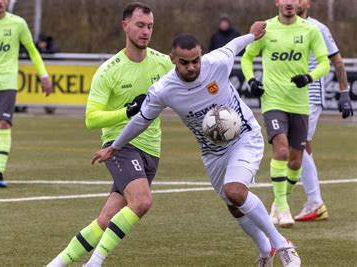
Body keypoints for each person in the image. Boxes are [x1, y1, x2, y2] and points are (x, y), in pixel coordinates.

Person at [92, 25, 302, 266]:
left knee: (235, 191)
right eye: (184, 63)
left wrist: (253, 34)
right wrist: (115, 146)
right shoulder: (164, 90)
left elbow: (234, 45)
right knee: (233, 204)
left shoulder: (216, 63)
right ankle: (266, 250)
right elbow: (141, 120)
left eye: (196, 61)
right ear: (173, 59)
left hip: (245, 137)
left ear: (201, 55)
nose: (192, 67)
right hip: (212, 152)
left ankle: (282, 244)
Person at [47, 3, 173, 266]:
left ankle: (56, 264)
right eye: (140, 25)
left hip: (152, 150)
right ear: (125, 26)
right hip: (120, 146)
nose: (146, 31)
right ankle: (95, 262)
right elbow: (91, 118)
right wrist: (127, 112)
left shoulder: (163, 63)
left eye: (150, 26)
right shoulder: (109, 70)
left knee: (105, 220)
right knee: (141, 201)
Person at [240, 0, 330, 228]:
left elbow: (324, 63)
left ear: (300, 3)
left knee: (295, 161)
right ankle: (284, 209)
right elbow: (247, 57)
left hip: (299, 104)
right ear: (277, 2)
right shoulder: (266, 28)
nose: (289, 3)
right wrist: (251, 80)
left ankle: (277, 204)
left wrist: (309, 77)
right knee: (280, 150)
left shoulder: (310, 30)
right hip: (273, 101)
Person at [0, 0, 52, 187]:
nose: (0, 2)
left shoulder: (18, 23)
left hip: (7, 82)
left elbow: (32, 50)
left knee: (4, 123)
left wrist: (44, 75)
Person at [293, 0, 353, 222]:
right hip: (289, 94)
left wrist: (344, 92)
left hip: (310, 93)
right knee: (300, 145)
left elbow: (336, 61)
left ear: (307, 3)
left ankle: (315, 202)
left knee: (296, 144)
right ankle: (314, 202)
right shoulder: (279, 27)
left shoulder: (317, 27)